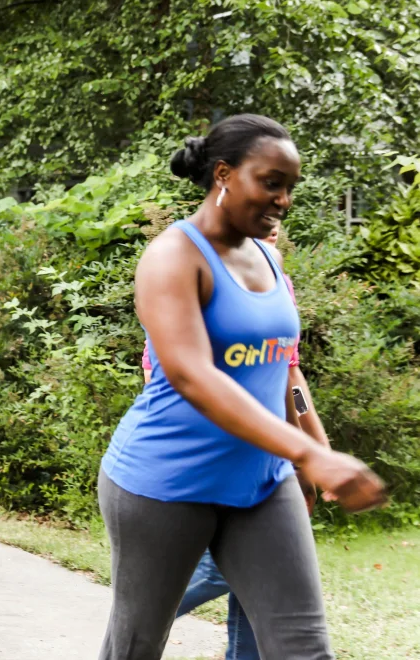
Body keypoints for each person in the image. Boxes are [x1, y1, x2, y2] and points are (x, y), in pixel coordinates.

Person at [98, 115, 386, 660]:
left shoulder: (270, 259)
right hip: (165, 484)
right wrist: (305, 451)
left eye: (289, 188)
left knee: (303, 648)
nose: (283, 199)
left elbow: (283, 372)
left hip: (262, 480)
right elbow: (191, 375)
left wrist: (308, 459)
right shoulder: (172, 256)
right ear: (224, 174)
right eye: (271, 182)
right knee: (136, 645)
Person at [142, 221, 334, 659]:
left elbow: (291, 378)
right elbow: (170, 377)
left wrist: (320, 453)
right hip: (201, 457)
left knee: (259, 583)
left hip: (265, 462)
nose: (269, 232)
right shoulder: (191, 275)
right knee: (223, 571)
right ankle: (132, 620)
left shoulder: (277, 284)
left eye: (275, 228)